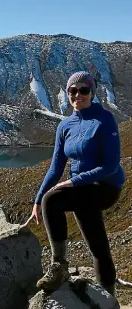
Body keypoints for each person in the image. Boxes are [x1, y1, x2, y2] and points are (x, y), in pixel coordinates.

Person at [26, 71, 125, 296]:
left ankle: (59, 266)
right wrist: (37, 200)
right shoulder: (65, 126)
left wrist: (72, 181)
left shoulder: (104, 119)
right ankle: (109, 297)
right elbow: (55, 167)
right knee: (96, 243)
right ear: (67, 93)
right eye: (73, 90)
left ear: (92, 93)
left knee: (54, 199)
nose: (77, 95)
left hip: (105, 187)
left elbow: (110, 165)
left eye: (83, 90)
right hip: (83, 189)